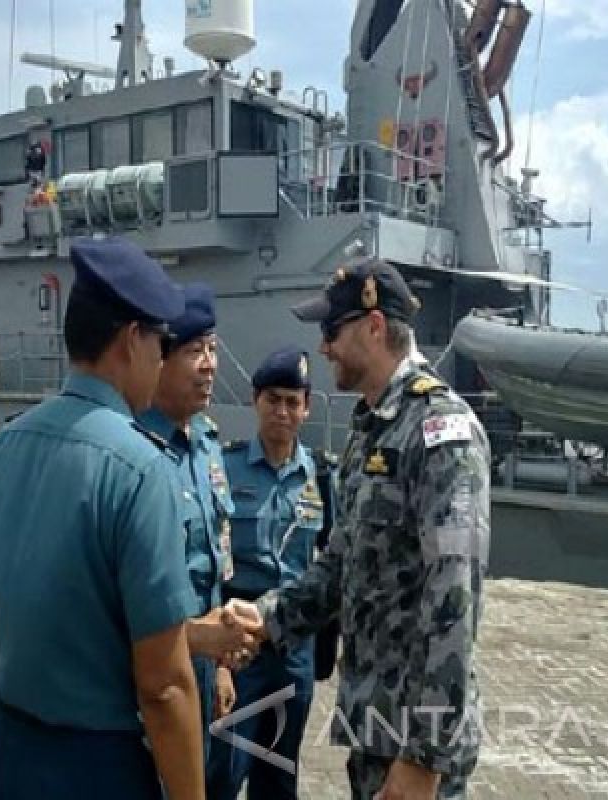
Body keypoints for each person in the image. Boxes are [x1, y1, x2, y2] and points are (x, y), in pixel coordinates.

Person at [0, 238, 252, 800]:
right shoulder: (142, 469)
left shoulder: (2, 448)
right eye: (161, 343)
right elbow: (163, 686)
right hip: (101, 766)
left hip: (11, 752)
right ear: (129, 340)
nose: (163, 358)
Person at [226, 258, 492, 800]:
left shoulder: (441, 433)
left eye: (332, 331)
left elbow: (453, 602)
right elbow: (341, 565)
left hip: (414, 747)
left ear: (373, 328)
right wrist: (263, 617)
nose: (322, 347)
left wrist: (425, 756)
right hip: (375, 729)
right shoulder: (370, 431)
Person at [206, 346, 336, 800]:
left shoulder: (321, 477)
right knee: (222, 772)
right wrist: (218, 659)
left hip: (293, 650)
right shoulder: (224, 466)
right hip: (239, 644)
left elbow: (332, 560)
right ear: (255, 401)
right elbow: (212, 569)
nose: (282, 411)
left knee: (279, 778)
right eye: (273, 399)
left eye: (292, 401)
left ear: (307, 408)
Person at [137, 283, 241, 761]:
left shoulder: (206, 441)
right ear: (159, 359)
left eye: (213, 349)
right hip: (151, 666)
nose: (210, 364)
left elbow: (216, 562)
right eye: (194, 351)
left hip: (201, 662)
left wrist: (220, 665)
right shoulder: (134, 451)